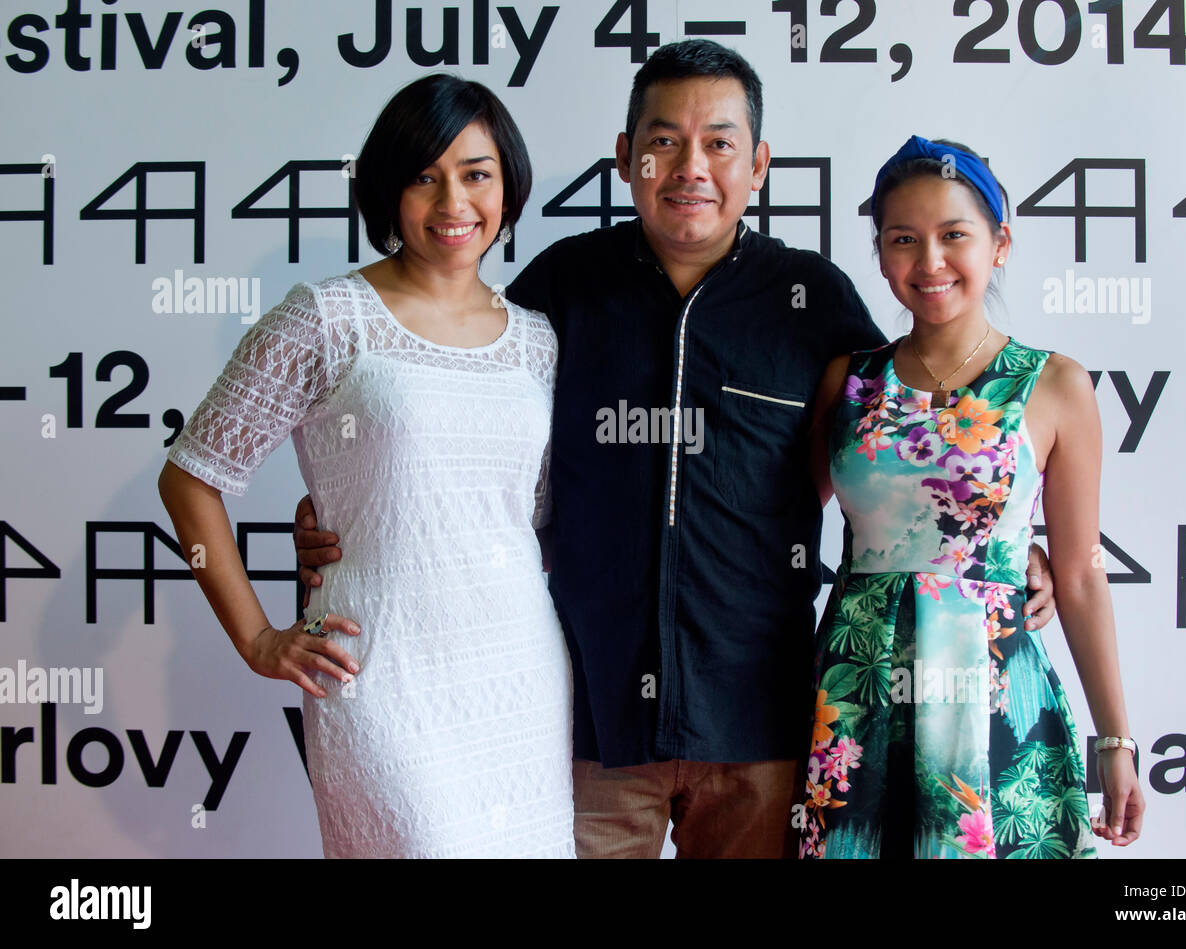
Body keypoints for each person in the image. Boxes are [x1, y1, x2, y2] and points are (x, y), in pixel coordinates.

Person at [295, 42, 1059, 859]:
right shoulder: (560, 288)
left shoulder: (811, 301)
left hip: (759, 721)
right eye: (663, 142)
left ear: (758, 163)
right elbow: (447, 421)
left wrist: (1005, 547)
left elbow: (908, 447)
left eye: (720, 143)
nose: (690, 167)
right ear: (626, 158)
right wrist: (347, 504)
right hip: (589, 718)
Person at [157, 74, 574, 858]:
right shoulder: (326, 317)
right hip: (380, 677)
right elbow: (190, 478)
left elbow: (529, 521)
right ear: (388, 190)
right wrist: (257, 640)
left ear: (508, 186)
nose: (453, 201)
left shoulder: (538, 341)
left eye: (476, 173)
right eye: (424, 176)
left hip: (517, 675)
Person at [797, 136, 1144, 858]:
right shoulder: (847, 381)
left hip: (994, 694)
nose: (929, 262)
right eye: (903, 240)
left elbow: (1078, 574)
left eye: (954, 235)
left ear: (1000, 243)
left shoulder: (1054, 384)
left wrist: (1115, 737)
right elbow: (778, 525)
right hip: (860, 694)